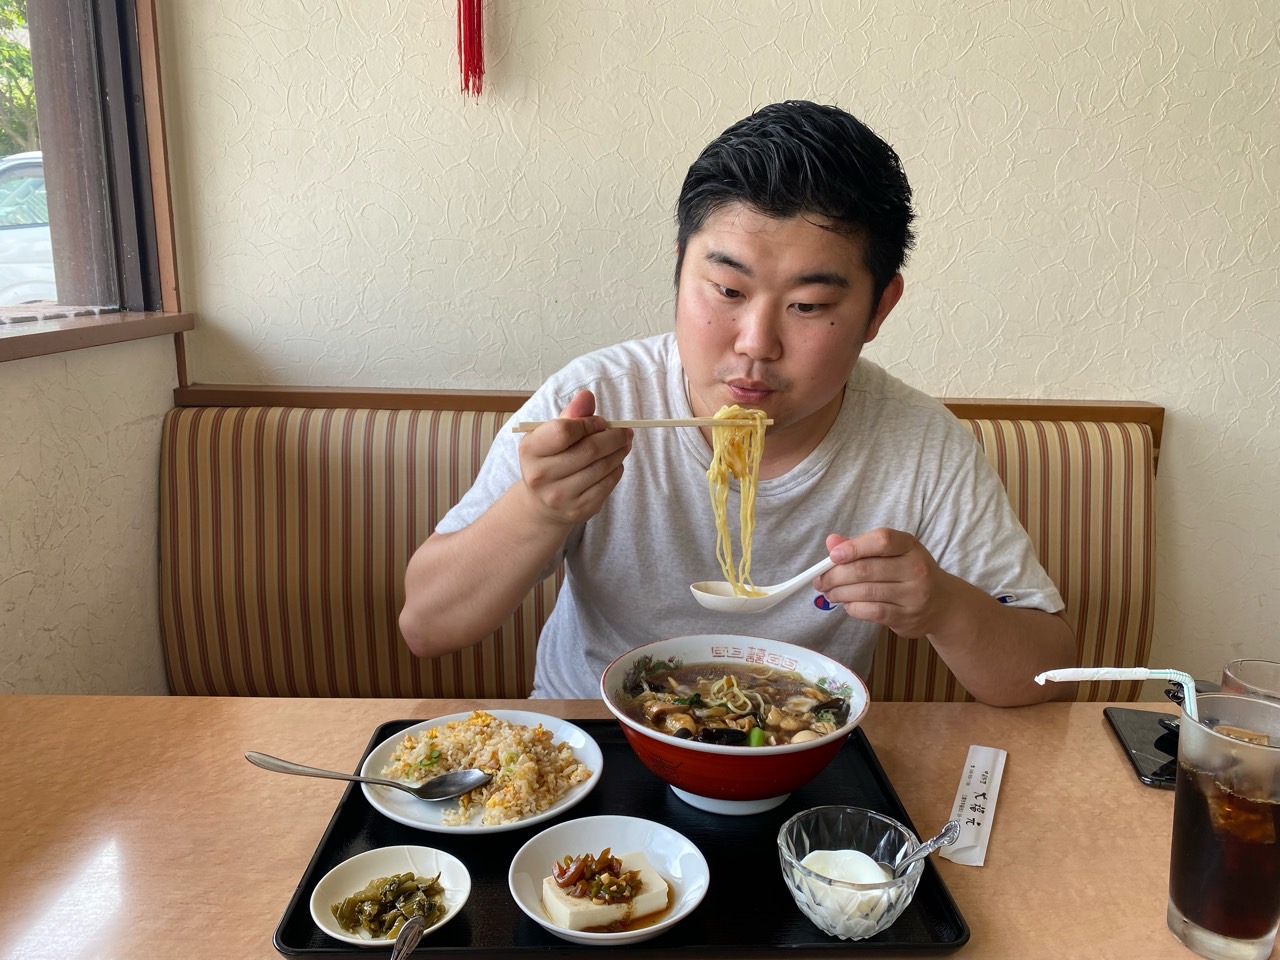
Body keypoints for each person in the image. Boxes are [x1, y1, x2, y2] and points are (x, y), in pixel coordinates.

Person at [399, 100, 1075, 706]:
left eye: (809, 306)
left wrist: (943, 607)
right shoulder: (597, 401)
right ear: (679, 267)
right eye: (726, 290)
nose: (756, 344)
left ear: (879, 309)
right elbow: (426, 626)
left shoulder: (920, 444)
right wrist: (538, 509)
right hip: (597, 742)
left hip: (801, 750)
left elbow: (1044, 674)